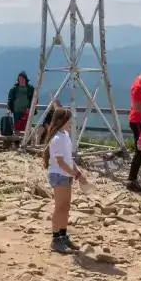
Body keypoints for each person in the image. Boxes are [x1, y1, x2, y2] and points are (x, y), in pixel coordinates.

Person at [43, 106, 89, 254]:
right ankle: (56, 238)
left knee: (66, 206)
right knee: (60, 207)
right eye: (69, 119)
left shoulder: (65, 135)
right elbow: (61, 162)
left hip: (66, 174)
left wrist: (77, 171)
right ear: (63, 120)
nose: (71, 122)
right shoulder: (57, 138)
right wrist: (77, 175)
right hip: (59, 174)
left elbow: (69, 159)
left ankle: (63, 235)